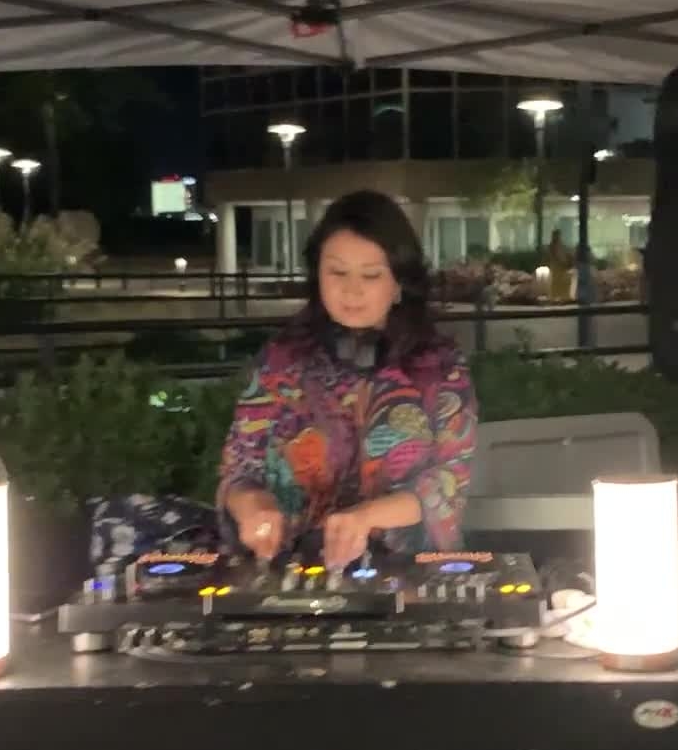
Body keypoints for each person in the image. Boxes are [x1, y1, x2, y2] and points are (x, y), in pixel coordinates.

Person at [89, 189, 478, 574]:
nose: (352, 289)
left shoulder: (440, 366)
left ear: (399, 283)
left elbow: (450, 480)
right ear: (317, 274)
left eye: (371, 275)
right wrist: (252, 505)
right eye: (337, 272)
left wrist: (366, 517)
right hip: (289, 570)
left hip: (407, 571)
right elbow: (240, 469)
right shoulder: (282, 360)